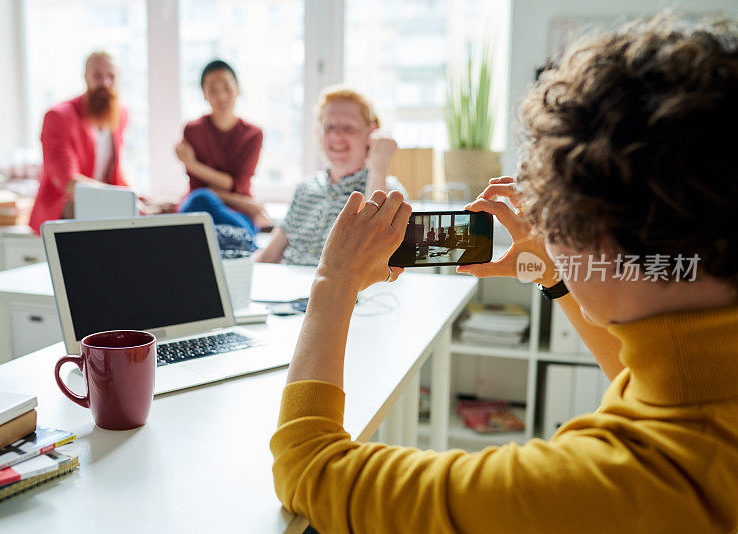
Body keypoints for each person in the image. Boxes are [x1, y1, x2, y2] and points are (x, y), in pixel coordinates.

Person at [270, 17, 738, 533]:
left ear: (596, 234)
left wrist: (332, 283)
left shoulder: (586, 486)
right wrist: (556, 274)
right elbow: (646, 377)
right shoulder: (699, 390)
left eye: (549, 209)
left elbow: (308, 466)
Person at [255, 86, 404, 266]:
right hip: (288, 288)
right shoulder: (305, 188)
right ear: (319, 132)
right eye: (329, 127)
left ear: (371, 133)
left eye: (348, 127)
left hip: (338, 292)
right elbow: (268, 257)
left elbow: (376, 254)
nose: (336, 135)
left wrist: (379, 166)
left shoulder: (389, 191)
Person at [29, 51, 129, 233]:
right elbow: (68, 181)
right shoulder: (58, 116)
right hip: (64, 211)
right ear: (86, 77)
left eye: (111, 76)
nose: (105, 83)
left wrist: (141, 198)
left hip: (103, 206)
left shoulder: (120, 114)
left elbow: (114, 174)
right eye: (98, 76)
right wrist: (124, 198)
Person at [175, 60, 264, 236]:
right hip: (199, 207)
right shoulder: (192, 130)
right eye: (213, 89)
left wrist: (193, 164)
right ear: (204, 94)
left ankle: (238, 241)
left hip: (236, 211)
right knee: (201, 200)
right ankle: (238, 241)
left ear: (238, 89)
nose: (221, 96)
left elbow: (237, 184)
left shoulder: (253, 134)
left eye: (226, 87)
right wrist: (245, 201)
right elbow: (198, 189)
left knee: (227, 227)